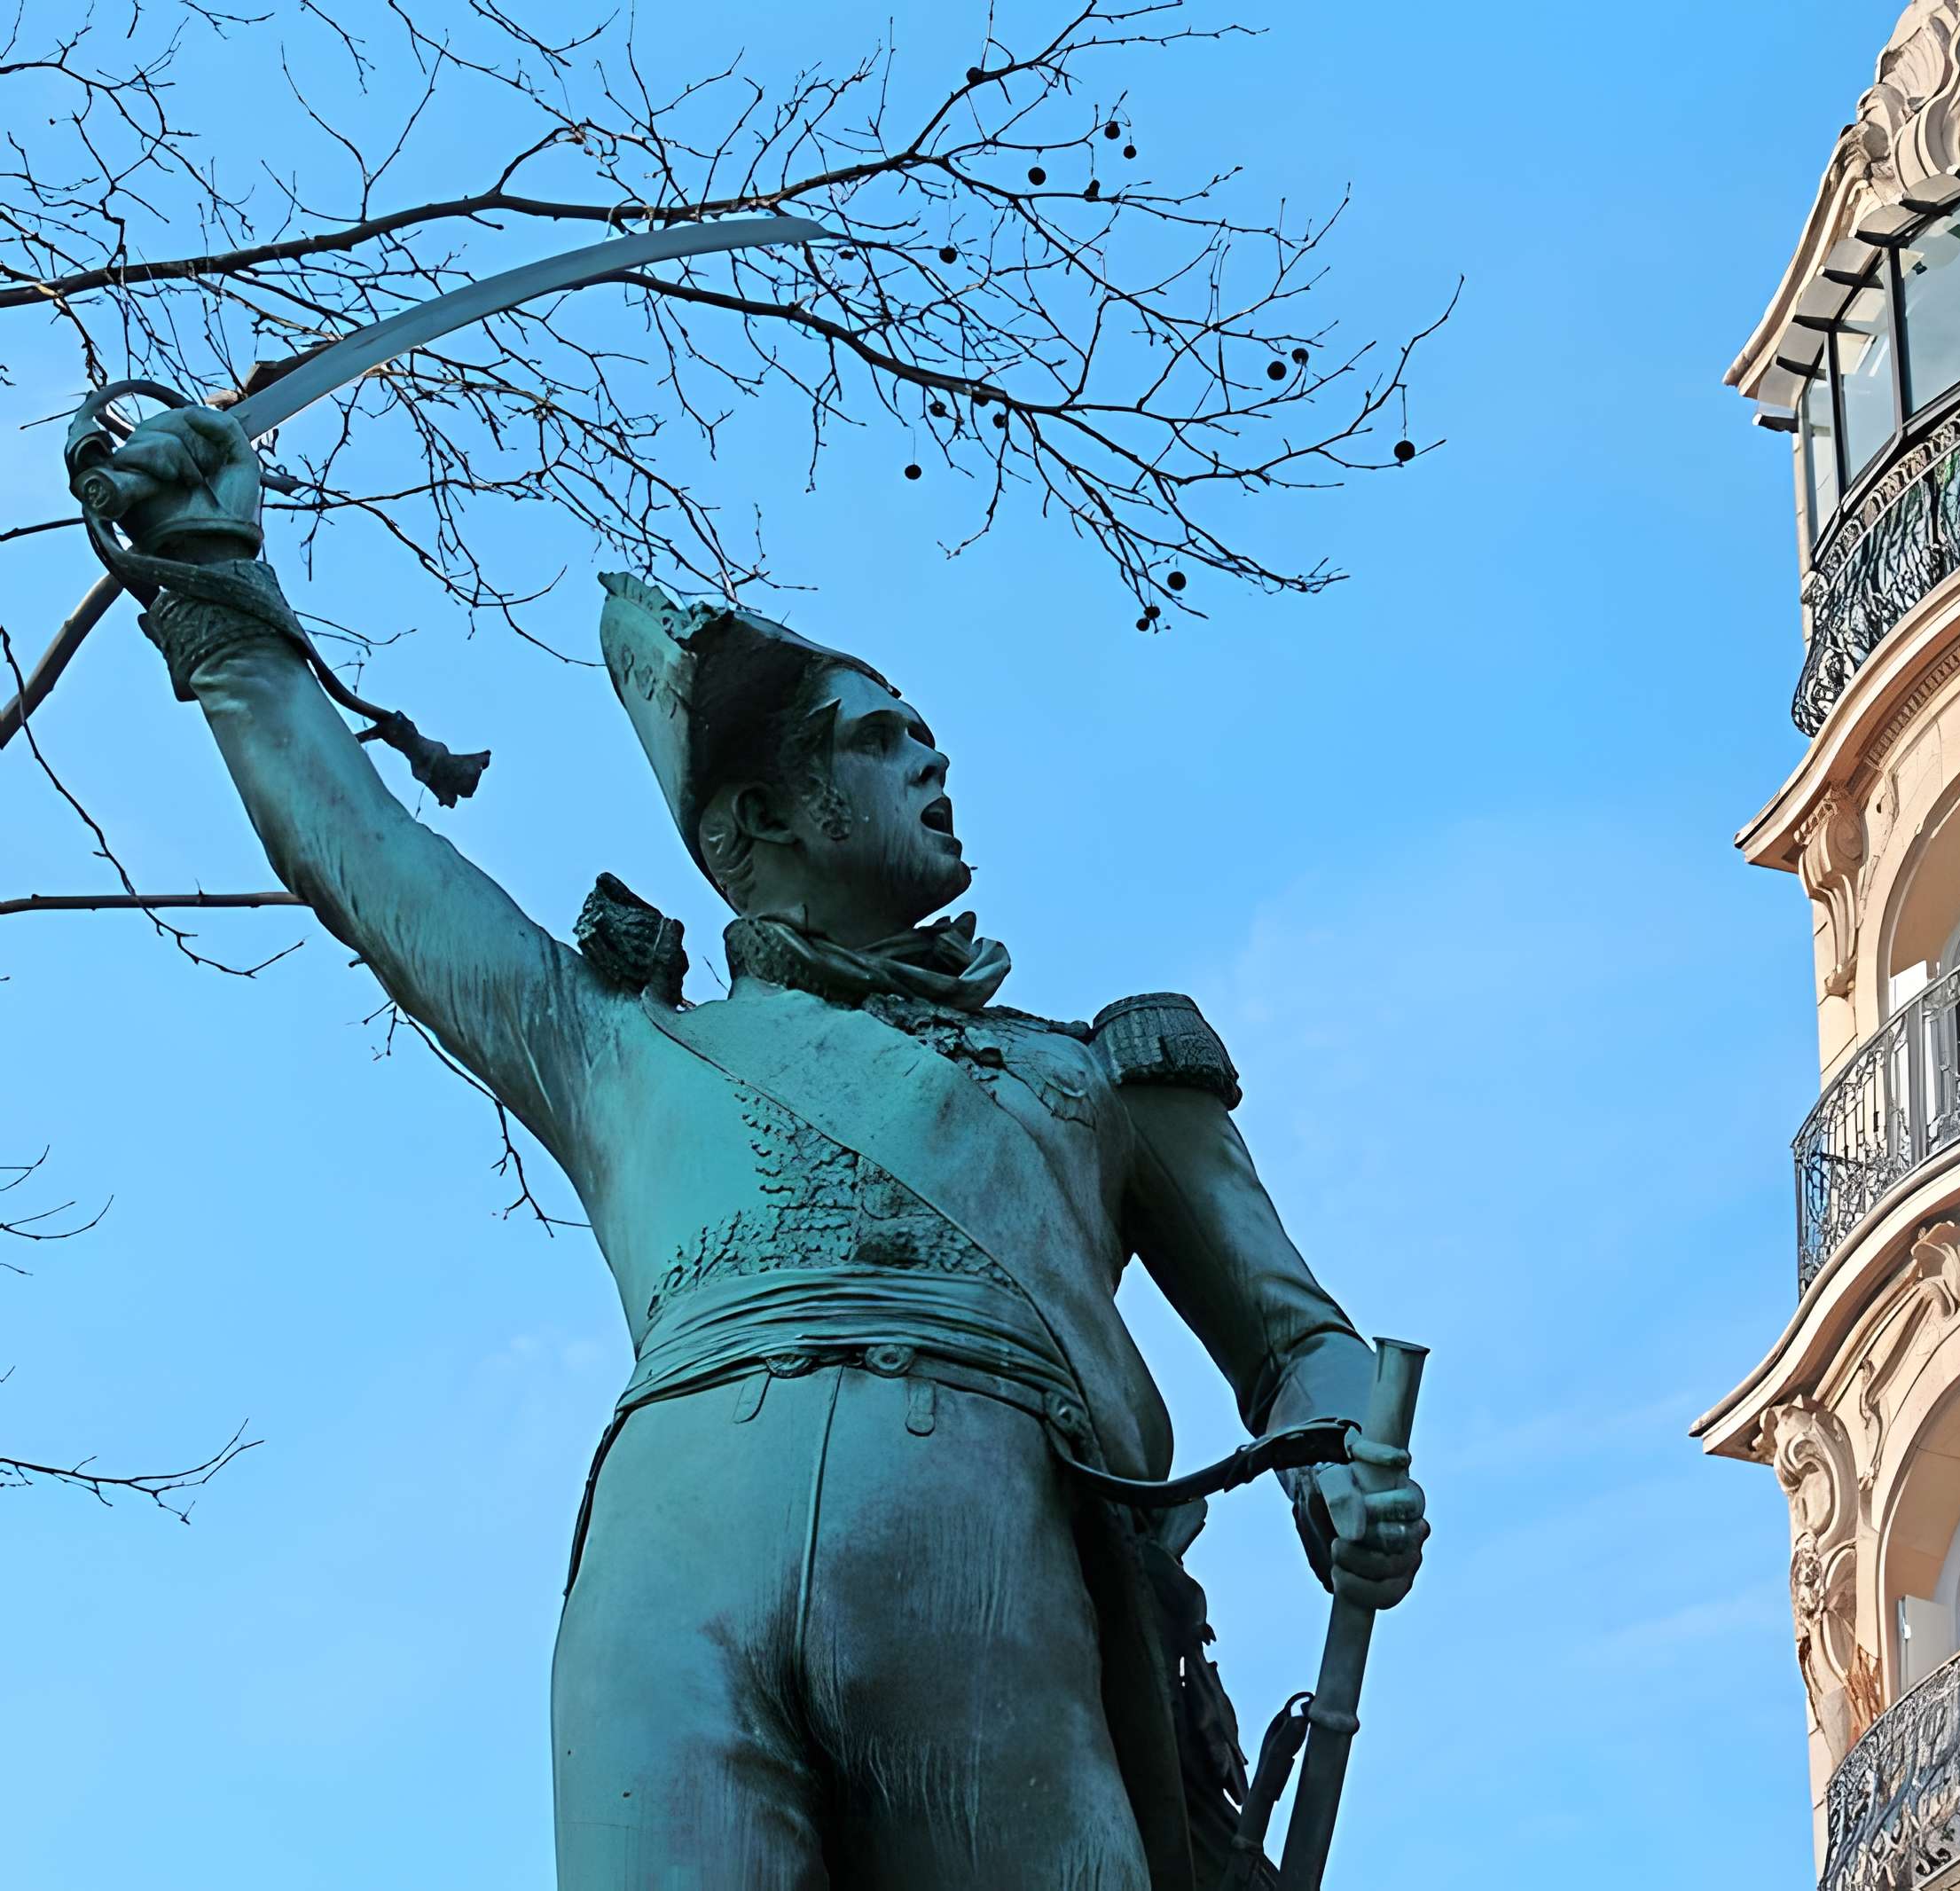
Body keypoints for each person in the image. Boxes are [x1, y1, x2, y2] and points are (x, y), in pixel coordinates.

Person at [87, 403, 1428, 1889]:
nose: (933, 761)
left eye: (925, 732)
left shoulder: (1095, 1073)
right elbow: (362, 852)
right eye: (879, 740)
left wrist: (1339, 1462)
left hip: (993, 1541)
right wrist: (212, 577)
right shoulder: (614, 1042)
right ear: (753, 823)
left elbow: (1298, 1337)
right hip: (670, 1569)